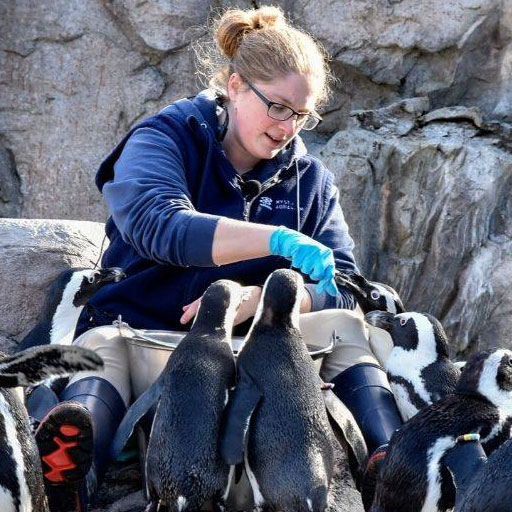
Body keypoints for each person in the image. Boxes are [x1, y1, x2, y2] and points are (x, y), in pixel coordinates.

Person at [29, 6, 402, 512]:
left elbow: (345, 282)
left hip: (263, 357)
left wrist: (268, 303)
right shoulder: (168, 138)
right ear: (235, 85)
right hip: (149, 338)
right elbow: (157, 225)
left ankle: (391, 460)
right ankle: (72, 474)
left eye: (301, 114)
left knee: (345, 327)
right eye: (277, 107)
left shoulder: (309, 180)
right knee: (100, 349)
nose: (288, 126)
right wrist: (276, 240)